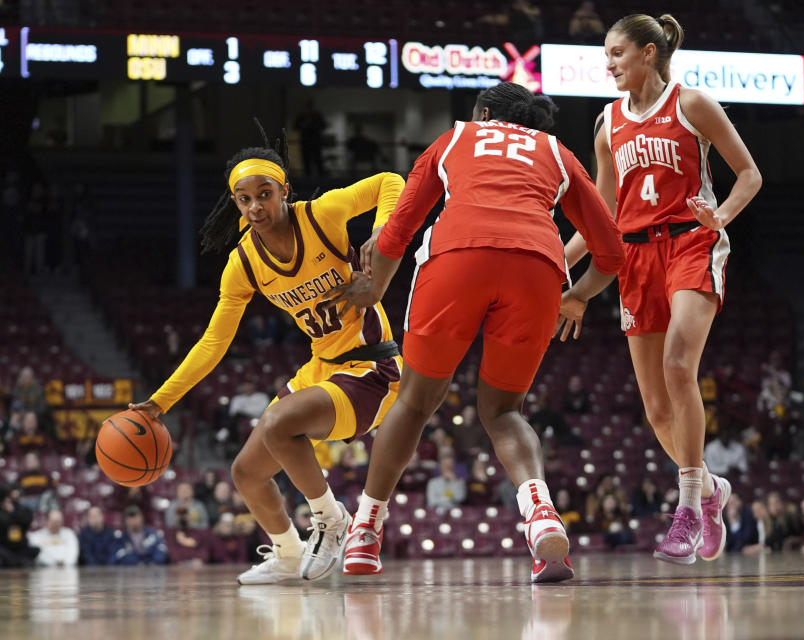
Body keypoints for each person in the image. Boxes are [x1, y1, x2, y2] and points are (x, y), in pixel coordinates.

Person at [332, 81, 624, 583]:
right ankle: (540, 513)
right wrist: (578, 296)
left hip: (457, 259)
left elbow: (399, 231)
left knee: (416, 403)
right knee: (504, 412)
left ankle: (365, 529)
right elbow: (612, 251)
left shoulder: (457, 137)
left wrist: (374, 291)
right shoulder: (556, 151)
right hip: (538, 266)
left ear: (484, 113)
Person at [129, 129, 405, 584]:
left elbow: (389, 181)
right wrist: (161, 402)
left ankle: (333, 521)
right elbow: (213, 342)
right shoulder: (243, 263)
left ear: (284, 192)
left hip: (372, 366)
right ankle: (289, 553)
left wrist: (381, 232)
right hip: (323, 367)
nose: (255, 206)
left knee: (279, 424)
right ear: (235, 202)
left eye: (264, 194)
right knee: (246, 472)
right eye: (244, 199)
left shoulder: (322, 215)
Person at [563, 13, 762, 565]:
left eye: (617, 54)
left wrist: (717, 216)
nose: (608, 65)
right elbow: (601, 215)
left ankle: (689, 508)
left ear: (649, 53)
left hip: (692, 243)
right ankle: (713, 489)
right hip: (634, 256)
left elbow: (750, 175)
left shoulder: (691, 104)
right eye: (606, 55)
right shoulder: (607, 123)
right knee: (655, 407)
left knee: (679, 366)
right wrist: (555, 257)